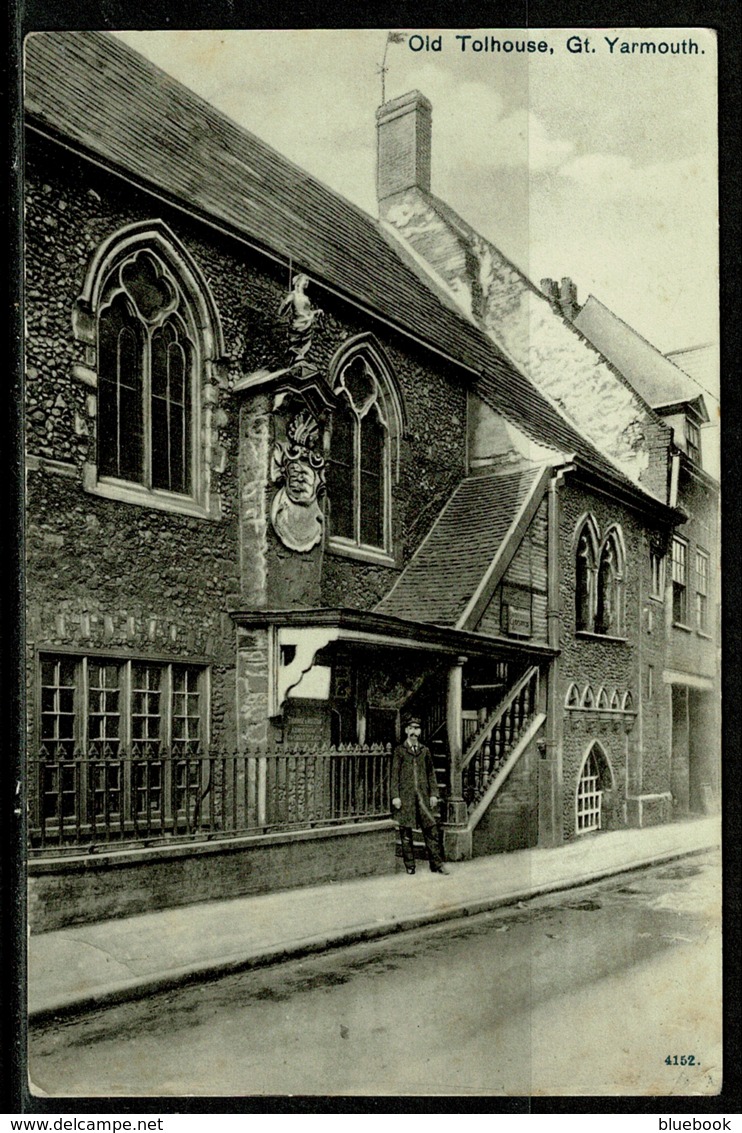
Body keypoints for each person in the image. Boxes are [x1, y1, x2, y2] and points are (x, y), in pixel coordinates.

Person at [391, 717, 449, 875]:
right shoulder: (399, 751)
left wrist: (434, 794)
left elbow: (431, 774)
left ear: (420, 732)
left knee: (431, 830)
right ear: (406, 731)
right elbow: (394, 775)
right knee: (406, 833)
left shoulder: (425, 751)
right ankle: (410, 865)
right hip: (406, 799)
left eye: (416, 729)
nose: (414, 732)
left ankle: (436, 864)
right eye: (411, 728)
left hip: (423, 798)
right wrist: (395, 796)